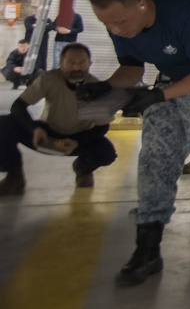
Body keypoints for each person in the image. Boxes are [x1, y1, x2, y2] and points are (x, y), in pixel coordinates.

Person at [79, 0, 190, 292]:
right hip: (171, 81)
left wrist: (156, 97)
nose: (115, 30)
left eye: (121, 22)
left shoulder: (185, 12)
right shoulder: (120, 22)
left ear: (141, 4)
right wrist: (106, 86)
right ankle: (147, 252)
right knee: (153, 165)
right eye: (107, 24)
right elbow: (132, 68)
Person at [0, 43, 117, 195]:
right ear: (61, 63)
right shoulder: (49, 79)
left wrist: (78, 141)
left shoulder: (97, 88)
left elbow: (102, 127)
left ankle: (83, 169)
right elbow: (18, 106)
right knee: (3, 124)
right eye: (71, 62)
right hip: (46, 136)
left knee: (107, 153)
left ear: (90, 64)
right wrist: (34, 129)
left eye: (81, 63)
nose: (76, 68)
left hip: (80, 138)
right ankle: (14, 175)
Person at [24, 5, 54, 70]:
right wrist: (43, 27)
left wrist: (36, 26)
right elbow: (29, 27)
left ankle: (42, 74)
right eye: (39, 11)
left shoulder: (47, 20)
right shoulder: (29, 19)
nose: (40, 12)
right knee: (30, 59)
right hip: (30, 43)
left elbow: (50, 27)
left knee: (43, 59)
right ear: (36, 11)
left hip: (42, 43)